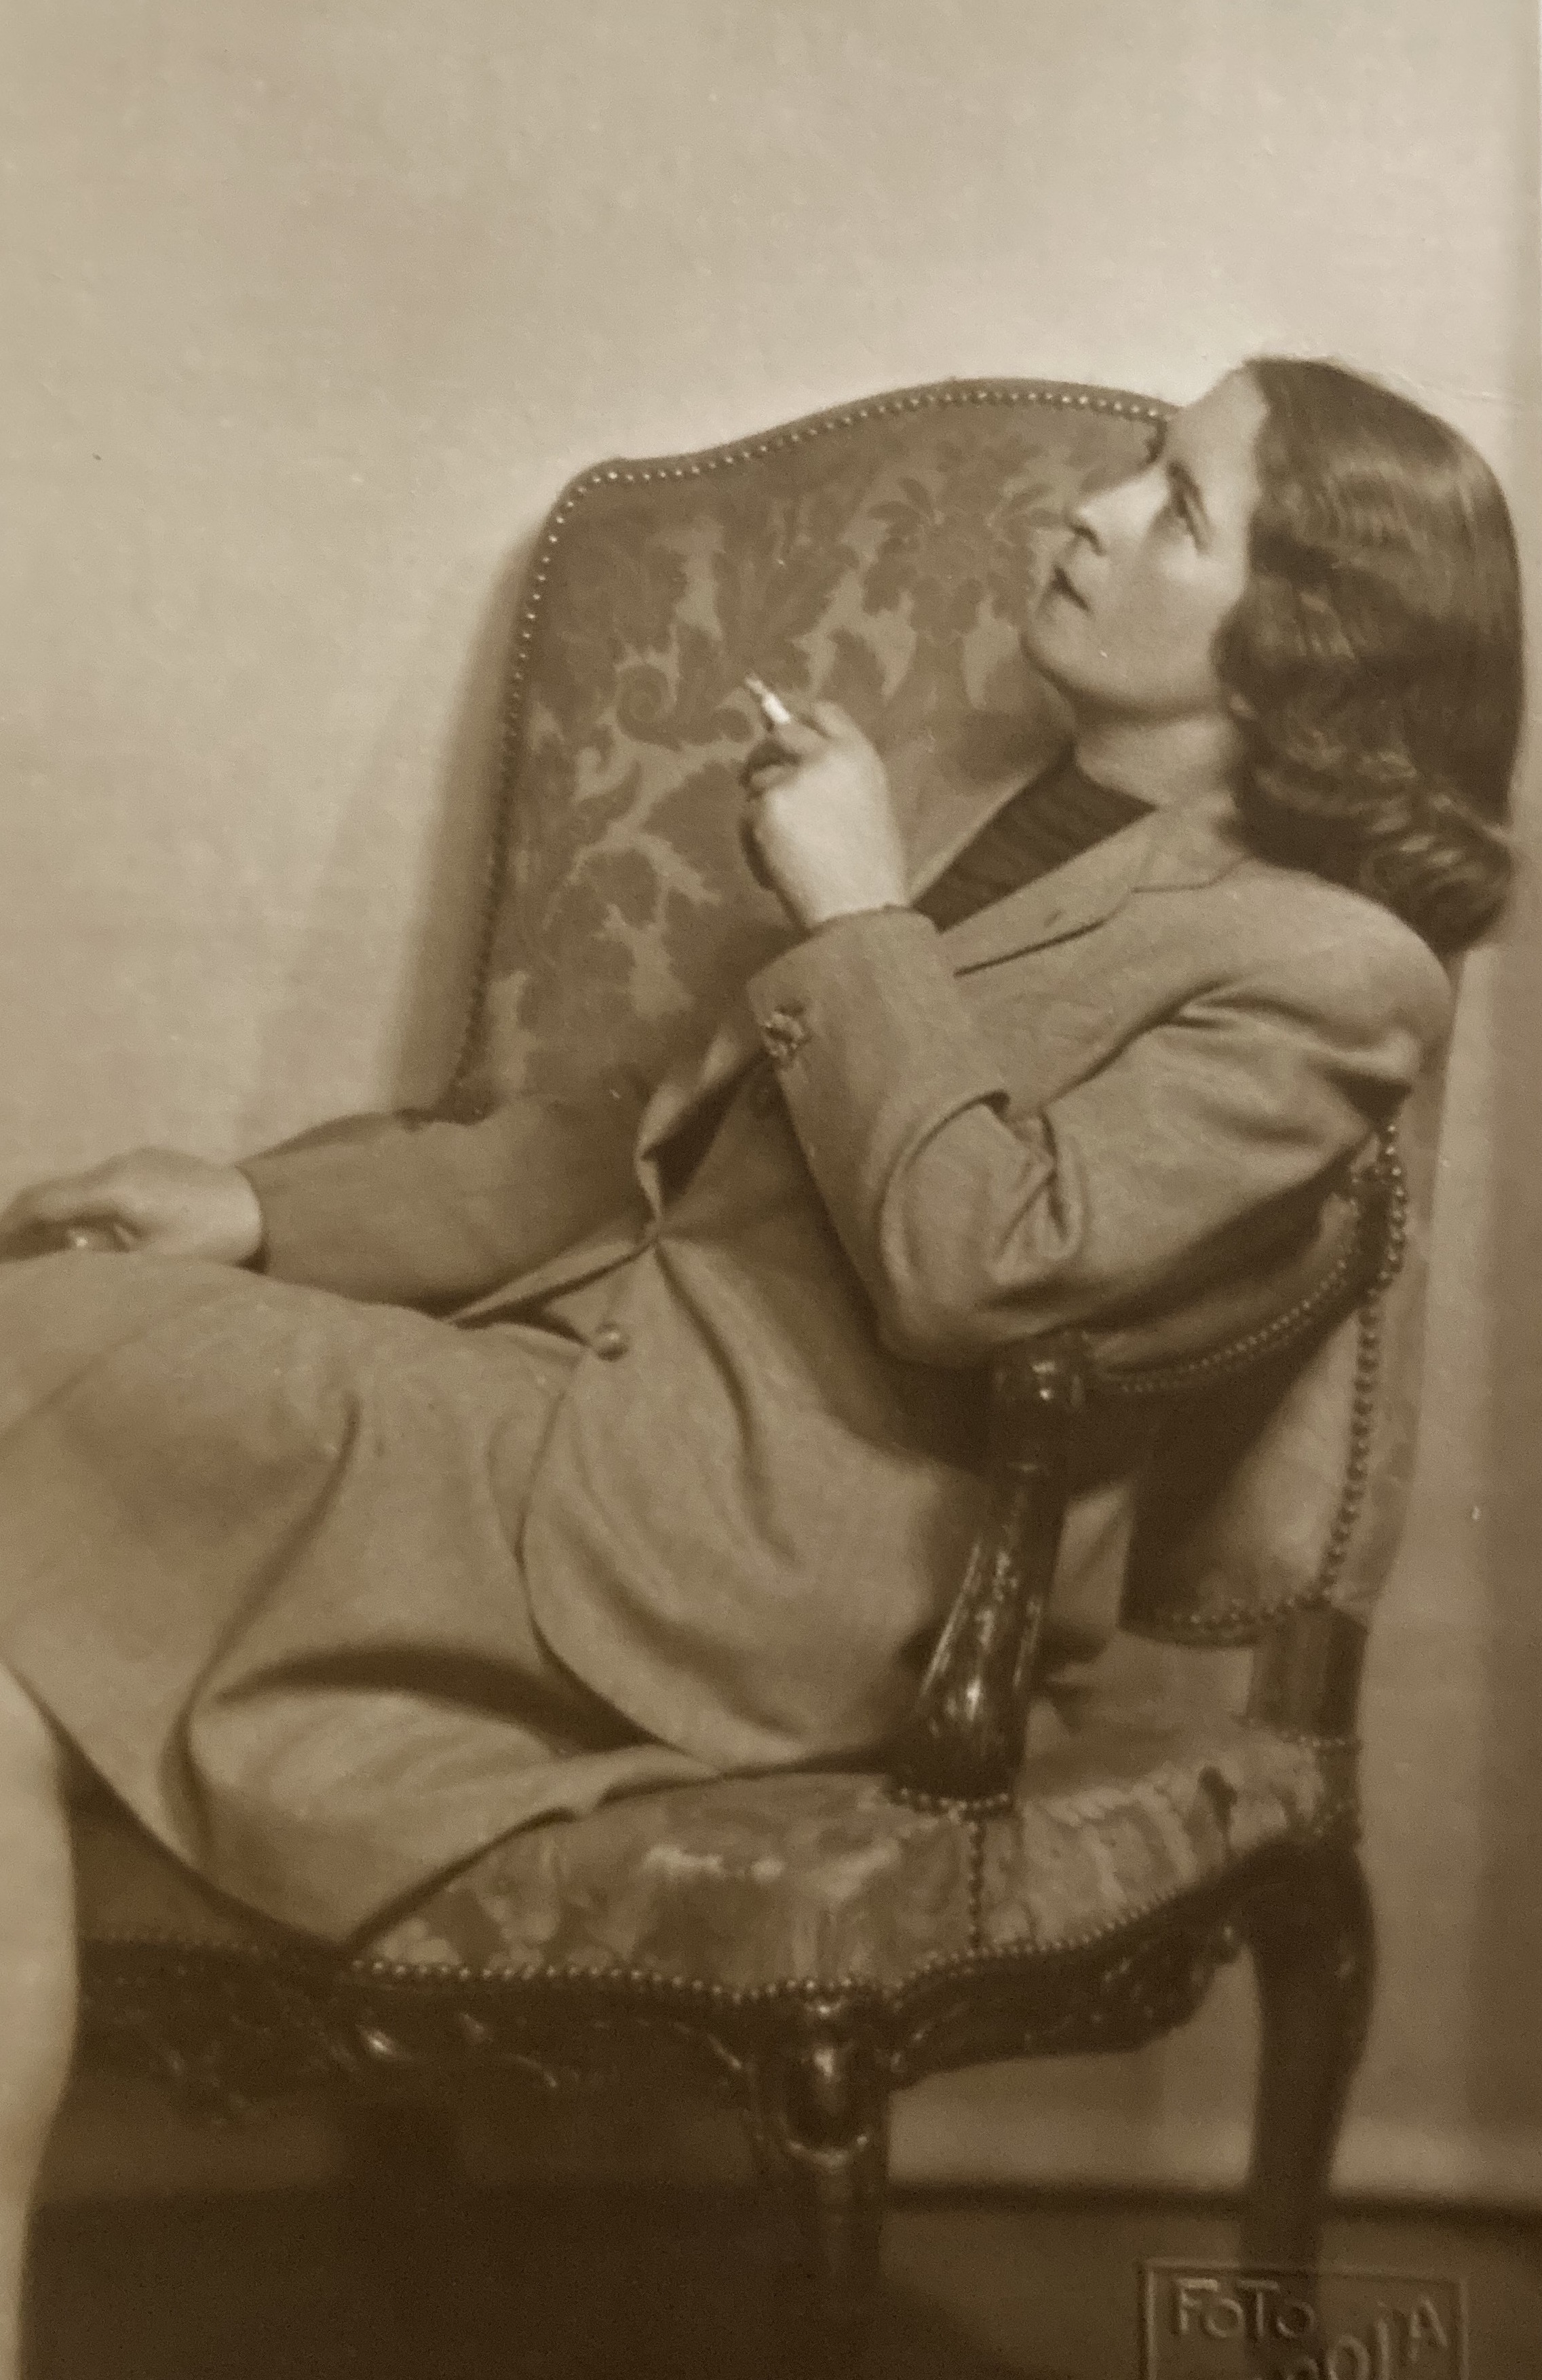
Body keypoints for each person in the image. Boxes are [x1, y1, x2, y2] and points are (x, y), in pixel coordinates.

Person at [0, 358, 1521, 2373]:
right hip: (589, 1431)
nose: (1088, 511)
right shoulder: (987, 815)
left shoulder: (1329, 974)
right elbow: (634, 1152)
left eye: (1174, 505)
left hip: (779, 1566)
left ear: (1299, 644)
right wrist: (262, 1213)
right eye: (1139, 469)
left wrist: (858, 906)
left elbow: (985, 1268)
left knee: (26, 1340)